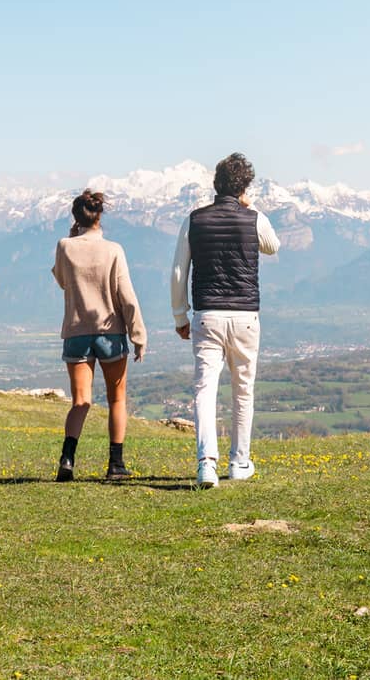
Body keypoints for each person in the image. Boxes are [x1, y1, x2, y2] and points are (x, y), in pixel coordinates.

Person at [170, 153, 280, 488]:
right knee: (243, 390)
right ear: (244, 186)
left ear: (216, 185)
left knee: (205, 389)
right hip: (246, 315)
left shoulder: (194, 220)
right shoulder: (253, 218)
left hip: (208, 314)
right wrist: (251, 207)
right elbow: (273, 247)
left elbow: (178, 271)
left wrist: (180, 315)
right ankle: (239, 461)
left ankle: (206, 463)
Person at [51, 190, 147, 482]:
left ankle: (67, 458)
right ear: (100, 216)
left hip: (76, 332)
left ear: (75, 218)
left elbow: (61, 280)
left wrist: (71, 238)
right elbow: (126, 296)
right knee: (117, 399)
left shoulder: (65, 246)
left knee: (80, 401)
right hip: (110, 332)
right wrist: (138, 334)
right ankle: (115, 464)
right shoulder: (114, 249)